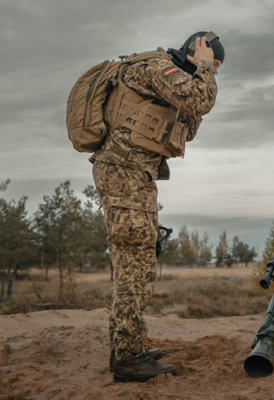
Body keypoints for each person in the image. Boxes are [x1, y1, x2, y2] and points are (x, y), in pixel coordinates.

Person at [90, 31, 224, 383]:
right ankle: (128, 358)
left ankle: (125, 349)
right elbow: (201, 100)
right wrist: (204, 69)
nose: (214, 71)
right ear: (196, 53)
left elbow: (189, 126)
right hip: (124, 173)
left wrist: (200, 75)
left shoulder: (169, 79)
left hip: (134, 174)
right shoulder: (155, 68)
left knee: (138, 259)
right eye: (214, 62)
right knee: (136, 261)